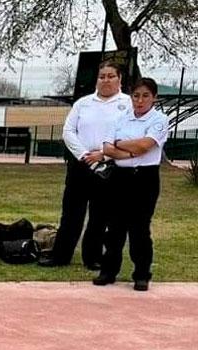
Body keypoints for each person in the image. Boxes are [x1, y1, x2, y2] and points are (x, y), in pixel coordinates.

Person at [39, 61, 131, 270]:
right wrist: (84, 155)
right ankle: (60, 255)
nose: (105, 80)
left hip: (108, 165)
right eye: (102, 76)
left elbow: (127, 135)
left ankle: (93, 257)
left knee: (100, 216)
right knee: (71, 213)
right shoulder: (83, 103)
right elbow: (68, 131)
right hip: (80, 165)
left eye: (110, 76)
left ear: (119, 79)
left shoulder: (126, 104)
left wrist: (104, 155)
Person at [95, 78, 168, 292]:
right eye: (136, 96)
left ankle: (142, 274)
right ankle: (108, 271)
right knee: (115, 227)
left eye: (145, 96)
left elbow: (146, 146)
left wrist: (122, 145)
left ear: (154, 98)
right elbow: (107, 148)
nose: (140, 100)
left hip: (145, 177)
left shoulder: (159, 120)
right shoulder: (120, 119)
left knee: (140, 228)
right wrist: (129, 149)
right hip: (120, 177)